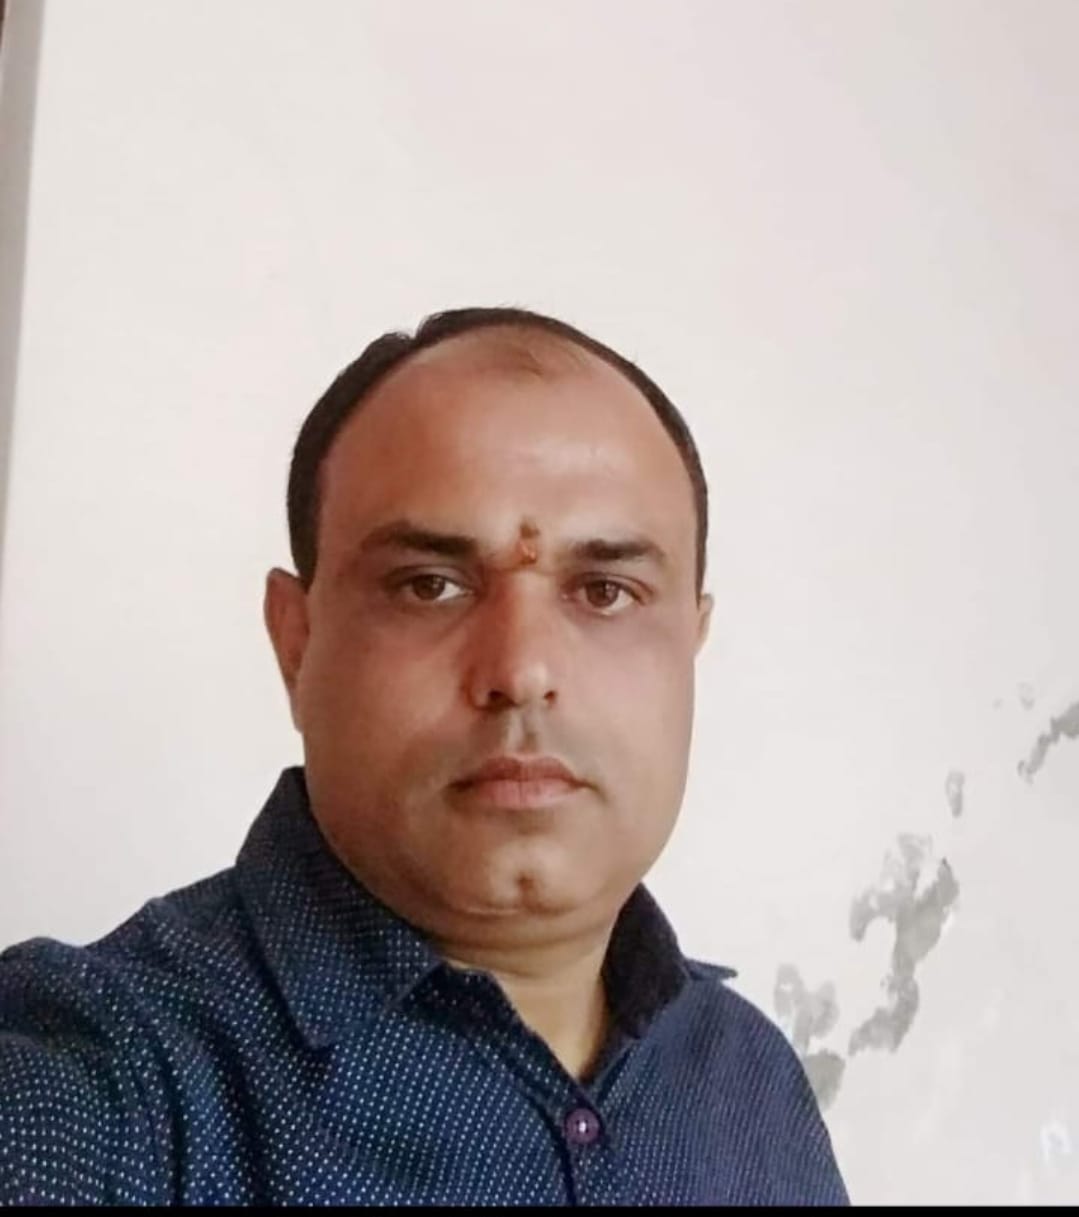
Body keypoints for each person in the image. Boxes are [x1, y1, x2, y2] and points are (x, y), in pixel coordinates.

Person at [0, 306, 848, 1205]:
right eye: (429, 584)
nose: (521, 670)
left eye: (605, 591)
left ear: (690, 645)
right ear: (296, 644)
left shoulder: (751, 1083)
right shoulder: (96, 1090)